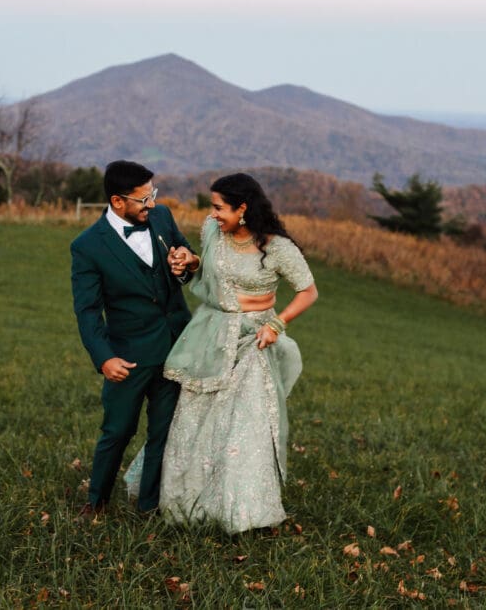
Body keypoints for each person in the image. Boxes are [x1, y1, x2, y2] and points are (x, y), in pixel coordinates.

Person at [127, 173, 318, 534]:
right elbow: (212, 270)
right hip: (210, 336)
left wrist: (277, 324)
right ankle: (187, 505)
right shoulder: (212, 232)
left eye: (219, 207)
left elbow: (308, 291)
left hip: (253, 342)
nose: (212, 214)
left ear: (243, 209)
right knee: (194, 420)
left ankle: (242, 511)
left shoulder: (276, 249)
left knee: (245, 426)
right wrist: (191, 263)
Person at [70, 161, 200, 519]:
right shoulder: (87, 247)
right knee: (118, 430)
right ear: (117, 201)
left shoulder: (162, 219)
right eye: (144, 199)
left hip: (176, 346)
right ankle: (95, 502)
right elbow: (88, 311)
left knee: (164, 431)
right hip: (128, 356)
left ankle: (149, 507)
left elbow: (187, 258)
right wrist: (104, 357)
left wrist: (187, 262)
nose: (152, 205)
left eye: (153, 195)